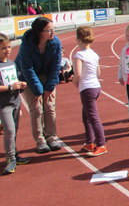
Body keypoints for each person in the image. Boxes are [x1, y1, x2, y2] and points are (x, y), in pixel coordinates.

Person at [15, 16, 63, 154]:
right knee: (36, 107)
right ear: (39, 32)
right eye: (49, 30)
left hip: (47, 74)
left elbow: (56, 66)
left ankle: (52, 137)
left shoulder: (55, 43)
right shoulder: (27, 44)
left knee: (49, 105)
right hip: (27, 77)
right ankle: (40, 141)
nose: (53, 33)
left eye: (54, 29)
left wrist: (49, 87)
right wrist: (38, 90)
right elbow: (27, 68)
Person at [74, 26, 107, 156]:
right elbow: (98, 72)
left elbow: (78, 74)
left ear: (78, 40)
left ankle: (101, 144)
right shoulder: (94, 54)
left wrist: (74, 81)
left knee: (93, 117)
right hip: (96, 86)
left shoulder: (79, 55)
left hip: (87, 88)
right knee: (86, 116)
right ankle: (89, 142)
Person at [0, 33, 31, 174]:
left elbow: (15, 80)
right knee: (9, 131)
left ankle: (15, 154)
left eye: (8, 47)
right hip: (3, 105)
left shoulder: (11, 63)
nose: (7, 50)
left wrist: (20, 85)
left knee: (14, 131)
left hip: (15, 102)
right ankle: (10, 159)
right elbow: (8, 85)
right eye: (3, 48)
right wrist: (11, 87)